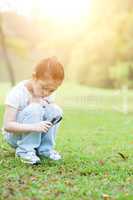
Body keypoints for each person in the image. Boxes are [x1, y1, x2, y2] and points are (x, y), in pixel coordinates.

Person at [3, 57, 64, 165]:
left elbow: (50, 113)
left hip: (37, 133)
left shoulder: (47, 92)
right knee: (35, 107)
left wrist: (46, 106)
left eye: (52, 90)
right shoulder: (17, 93)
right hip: (15, 136)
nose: (46, 93)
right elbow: (8, 126)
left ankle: (45, 149)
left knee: (56, 110)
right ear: (34, 77)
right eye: (43, 87)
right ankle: (25, 151)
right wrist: (34, 127)